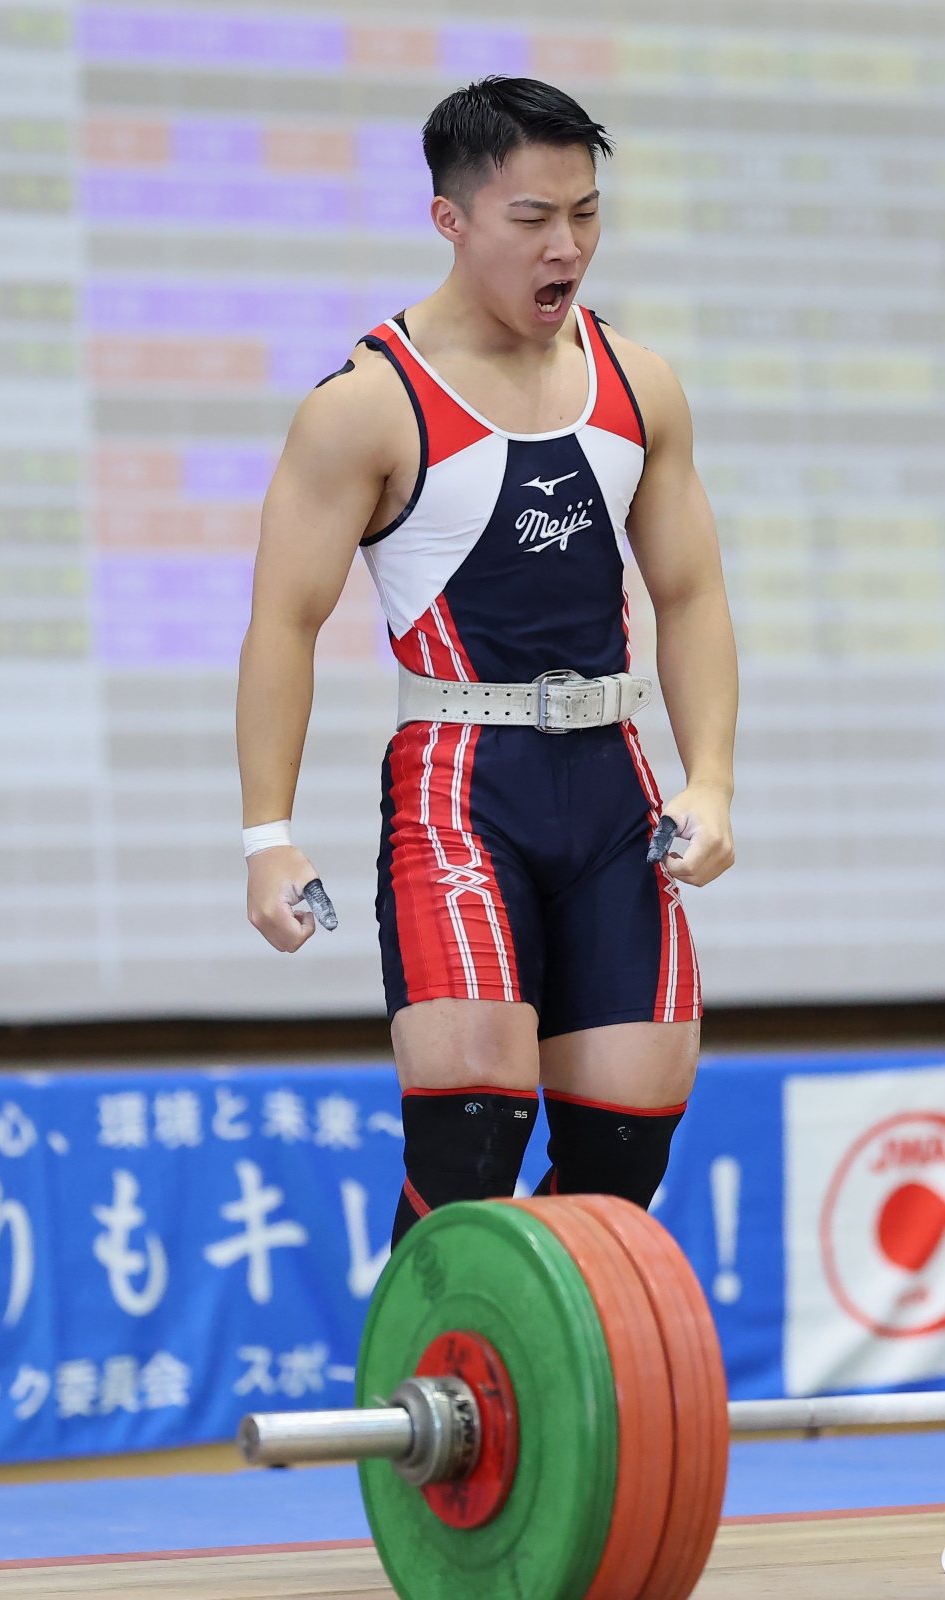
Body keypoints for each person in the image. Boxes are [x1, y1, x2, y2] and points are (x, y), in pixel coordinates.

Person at [235, 77, 738, 1248]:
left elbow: (690, 594)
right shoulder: (367, 405)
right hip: (461, 793)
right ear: (450, 221)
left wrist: (710, 780)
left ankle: (524, 1357)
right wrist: (268, 835)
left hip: (613, 790)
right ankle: (427, 1360)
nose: (568, 247)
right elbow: (283, 623)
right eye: (532, 219)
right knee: (471, 1135)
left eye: (587, 214)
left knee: (624, 1150)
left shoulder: (640, 384)